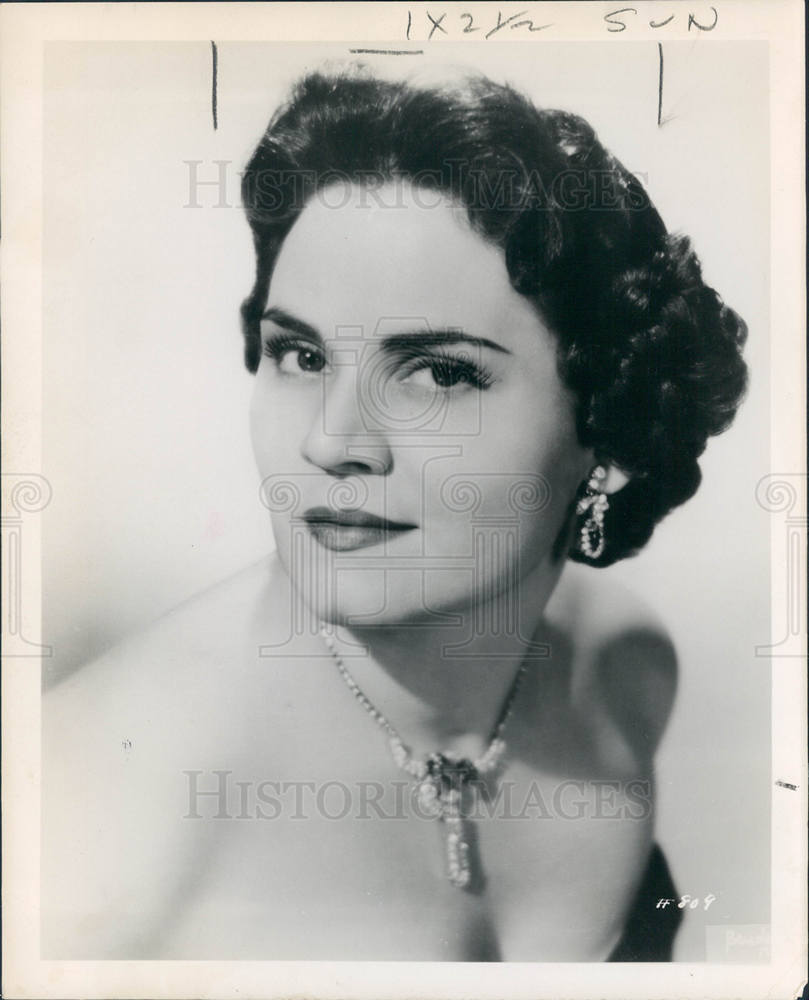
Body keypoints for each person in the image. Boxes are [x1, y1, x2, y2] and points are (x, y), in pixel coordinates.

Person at [41, 65, 748, 962]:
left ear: (606, 434)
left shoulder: (621, 674)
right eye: (299, 355)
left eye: (439, 373)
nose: (334, 443)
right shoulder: (95, 832)